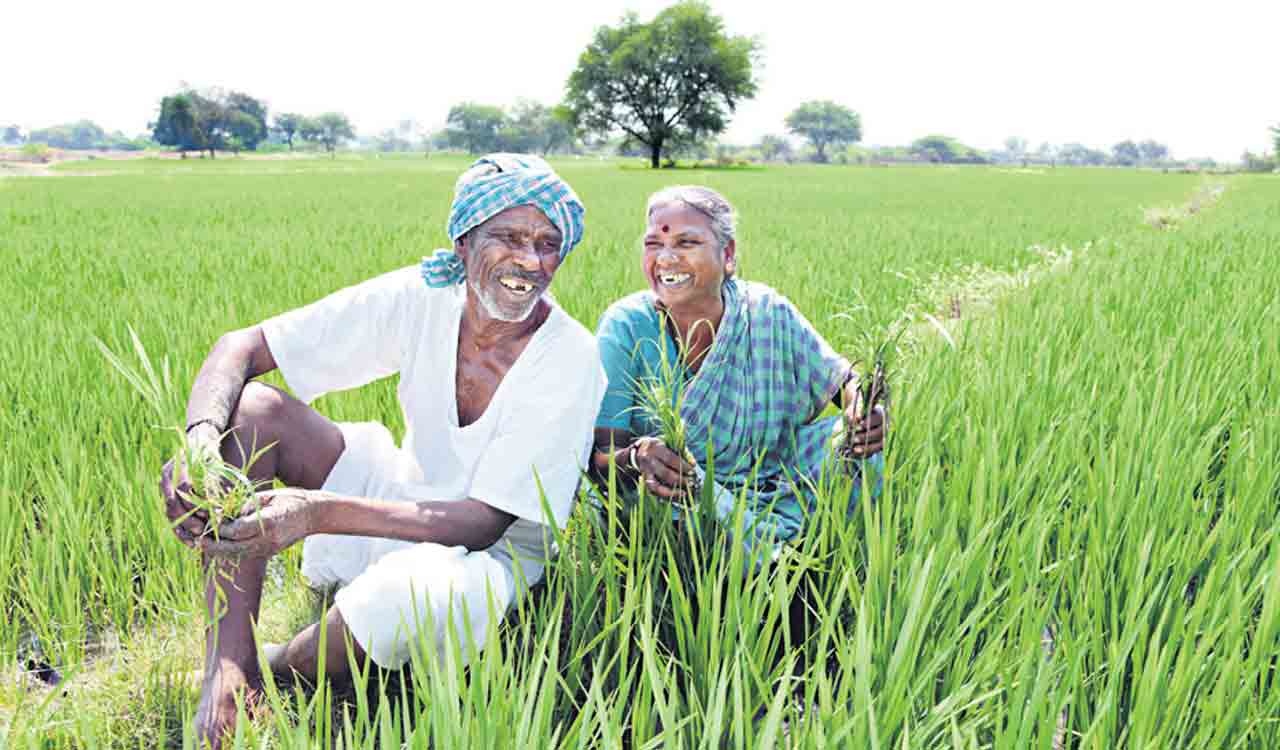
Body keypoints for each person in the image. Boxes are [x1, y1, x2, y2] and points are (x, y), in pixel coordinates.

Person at [159, 154, 604, 747]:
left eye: (549, 244)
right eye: (509, 237)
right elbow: (243, 347)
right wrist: (200, 444)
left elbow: (484, 522)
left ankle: (277, 666)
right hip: (401, 496)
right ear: (464, 241)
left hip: (488, 560)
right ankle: (228, 666)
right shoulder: (424, 295)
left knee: (413, 594)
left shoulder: (569, 357)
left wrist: (316, 513)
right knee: (253, 414)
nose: (530, 261)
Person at [589, 185, 886, 564]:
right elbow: (598, 459)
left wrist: (865, 411)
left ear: (727, 255)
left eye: (687, 242)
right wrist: (639, 456)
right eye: (653, 244)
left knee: (851, 449)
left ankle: (812, 553)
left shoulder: (765, 310)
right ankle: (768, 568)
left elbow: (845, 383)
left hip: (770, 477)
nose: (665, 258)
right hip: (680, 493)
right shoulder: (626, 326)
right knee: (676, 500)